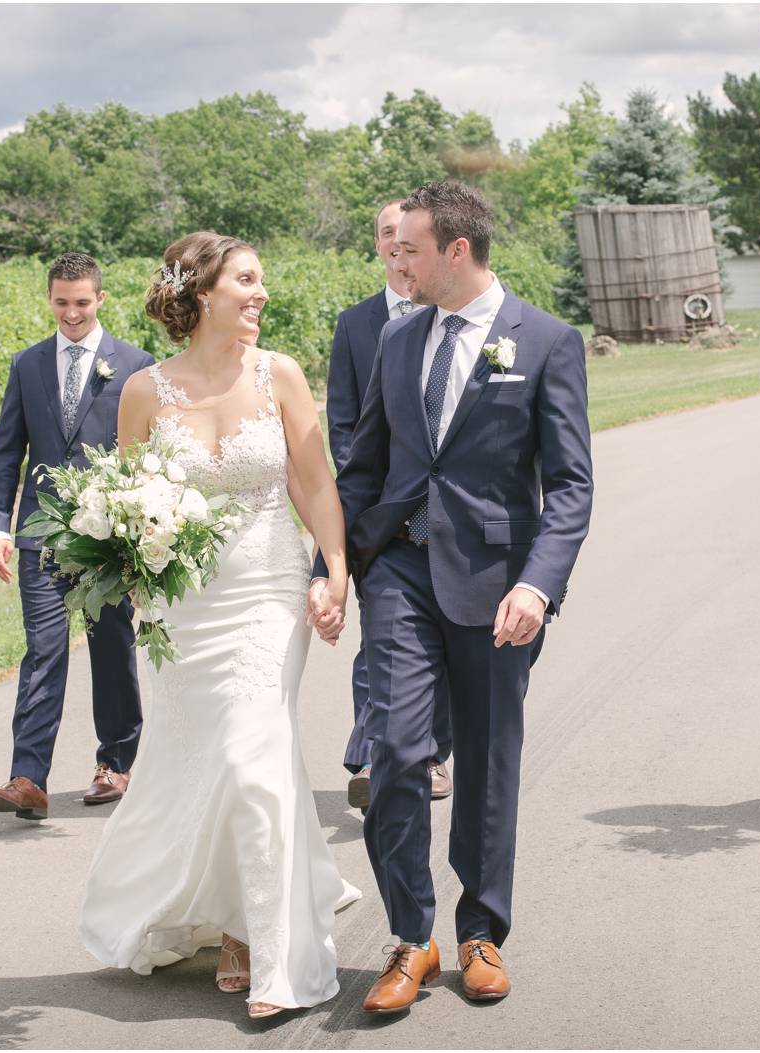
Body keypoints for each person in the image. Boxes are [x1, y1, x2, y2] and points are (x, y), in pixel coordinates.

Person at [314, 181, 593, 1014]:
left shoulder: (545, 341)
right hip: (399, 570)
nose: (401, 259)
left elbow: (572, 485)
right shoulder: (397, 345)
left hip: (498, 584)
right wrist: (328, 571)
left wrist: (539, 585)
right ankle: (412, 934)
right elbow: (363, 469)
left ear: (457, 252)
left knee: (487, 758)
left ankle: (481, 932)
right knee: (397, 751)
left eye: (415, 247)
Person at [80, 232, 360, 1021]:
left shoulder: (282, 377)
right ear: (203, 292)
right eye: (247, 279)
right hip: (179, 609)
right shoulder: (144, 391)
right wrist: (131, 571)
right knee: (198, 760)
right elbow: (124, 504)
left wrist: (333, 570)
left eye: (261, 279)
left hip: (268, 590)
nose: (261, 292)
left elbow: (314, 481)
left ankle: (275, 953)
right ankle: (231, 921)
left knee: (249, 755)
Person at [0, 253, 154, 820]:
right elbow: (7, 451)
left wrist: (140, 540)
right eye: (61, 302)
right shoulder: (27, 365)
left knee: (111, 649)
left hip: (108, 537)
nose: (72, 312)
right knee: (44, 650)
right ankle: (28, 777)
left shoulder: (134, 364)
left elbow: (146, 458)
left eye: (82, 302)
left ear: (100, 299)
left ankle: (115, 763)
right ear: (49, 299)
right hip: (41, 536)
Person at [327, 197, 452, 810]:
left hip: (451, 517)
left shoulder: (454, 311)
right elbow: (346, 424)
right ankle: (379, 757)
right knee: (382, 643)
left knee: (445, 638)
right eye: (386, 236)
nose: (397, 247)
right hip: (383, 514)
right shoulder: (356, 324)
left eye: (406, 237)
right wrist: (363, 507)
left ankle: (427, 751)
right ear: (380, 244)